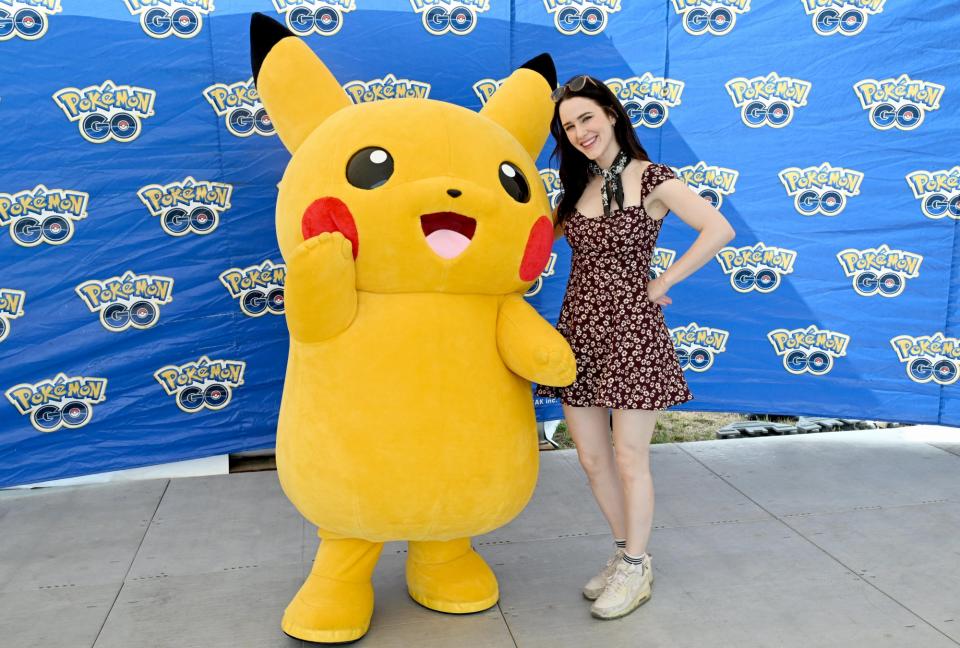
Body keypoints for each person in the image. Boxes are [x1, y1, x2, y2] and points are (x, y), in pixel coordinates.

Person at [536, 74, 736, 620]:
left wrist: (663, 282)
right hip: (579, 331)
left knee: (628, 458)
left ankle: (636, 563)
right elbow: (534, 244)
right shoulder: (575, 189)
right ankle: (627, 554)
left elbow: (717, 229)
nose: (579, 132)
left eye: (586, 119)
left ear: (612, 115)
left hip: (633, 333)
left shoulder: (653, 179)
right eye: (568, 126)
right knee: (593, 459)